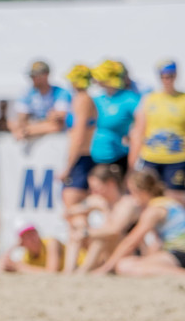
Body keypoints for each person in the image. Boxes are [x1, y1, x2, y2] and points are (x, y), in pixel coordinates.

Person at [95, 169, 185, 276]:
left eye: (132, 191)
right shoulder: (166, 202)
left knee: (125, 266)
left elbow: (131, 242)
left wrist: (107, 267)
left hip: (179, 252)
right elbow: (155, 244)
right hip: (176, 252)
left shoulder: (154, 210)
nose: (132, 197)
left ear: (141, 191)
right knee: (133, 262)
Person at [63, 164, 139, 274]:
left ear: (110, 184)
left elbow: (114, 231)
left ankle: (83, 271)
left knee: (101, 235)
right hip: (104, 252)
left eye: (97, 188)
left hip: (124, 253)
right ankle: (69, 271)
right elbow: (67, 213)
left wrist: (103, 211)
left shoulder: (127, 203)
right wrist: (82, 215)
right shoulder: (98, 200)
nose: (94, 192)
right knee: (78, 221)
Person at [130, 59, 185, 206]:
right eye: (164, 76)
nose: (167, 80)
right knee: (147, 195)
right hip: (152, 157)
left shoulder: (182, 99)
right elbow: (139, 131)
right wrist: (132, 161)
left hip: (177, 159)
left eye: (171, 76)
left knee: (174, 197)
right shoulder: (150, 99)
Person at [90, 60, 140, 179]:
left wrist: (131, 135)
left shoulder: (130, 99)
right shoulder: (98, 98)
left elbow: (143, 124)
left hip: (117, 158)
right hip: (95, 158)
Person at [60, 63, 97, 213]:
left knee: (73, 209)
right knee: (76, 210)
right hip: (83, 157)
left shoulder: (82, 100)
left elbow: (79, 137)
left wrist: (68, 167)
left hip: (82, 158)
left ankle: (78, 237)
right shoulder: (83, 99)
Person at [10, 60, 71, 140]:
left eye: (34, 76)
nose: (32, 79)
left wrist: (28, 129)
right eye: (31, 76)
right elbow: (20, 120)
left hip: (59, 134)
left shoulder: (61, 92)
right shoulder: (27, 93)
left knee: (55, 125)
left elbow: (58, 121)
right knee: (13, 124)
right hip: (41, 128)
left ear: (46, 75)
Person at [0, 222, 65, 274]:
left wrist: (21, 268)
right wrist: (14, 246)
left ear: (38, 233)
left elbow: (52, 272)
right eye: (27, 236)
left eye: (33, 233)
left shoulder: (51, 243)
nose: (32, 238)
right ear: (22, 242)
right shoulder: (27, 256)